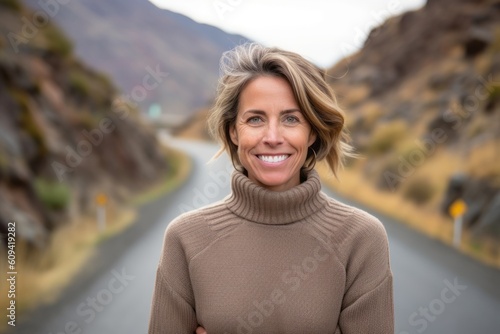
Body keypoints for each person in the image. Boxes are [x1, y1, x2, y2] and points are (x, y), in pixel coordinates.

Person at [148, 43, 394, 333]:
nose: (273, 136)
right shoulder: (185, 239)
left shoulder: (361, 239)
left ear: (312, 131)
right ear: (233, 131)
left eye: (291, 119)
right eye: (255, 119)